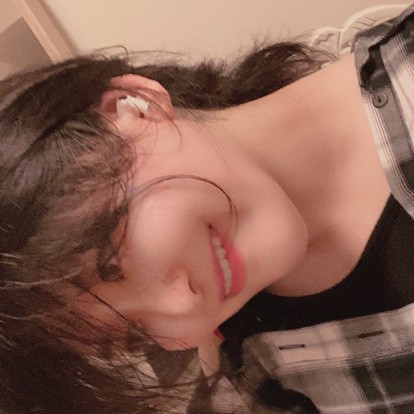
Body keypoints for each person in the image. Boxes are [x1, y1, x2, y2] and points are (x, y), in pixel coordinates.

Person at [1, 4, 414, 413]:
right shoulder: (265, 373)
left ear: (133, 105)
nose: (184, 308)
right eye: (135, 333)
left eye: (112, 263)